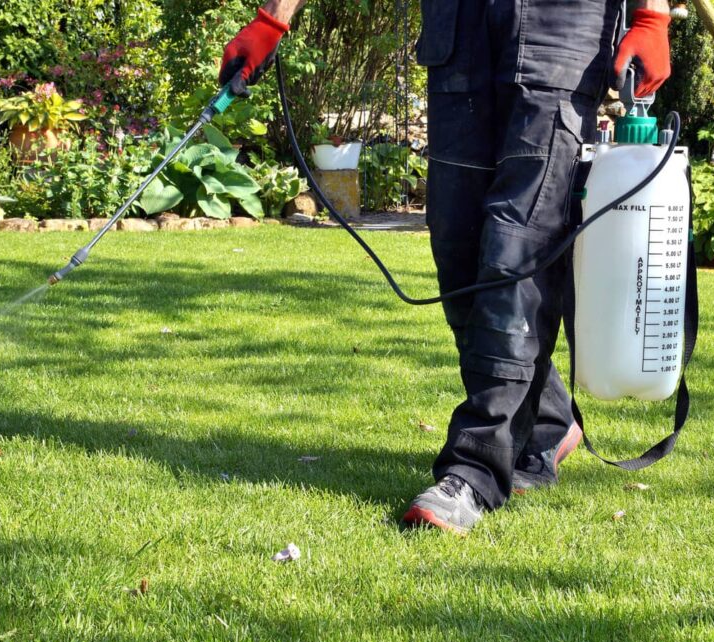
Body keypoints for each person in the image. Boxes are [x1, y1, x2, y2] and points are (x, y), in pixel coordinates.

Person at [220, 0, 672, 534]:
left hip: (562, 28)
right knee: (458, 250)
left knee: (516, 243)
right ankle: (549, 420)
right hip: (460, 28)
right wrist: (273, 18)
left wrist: (652, 16)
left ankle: (474, 467)